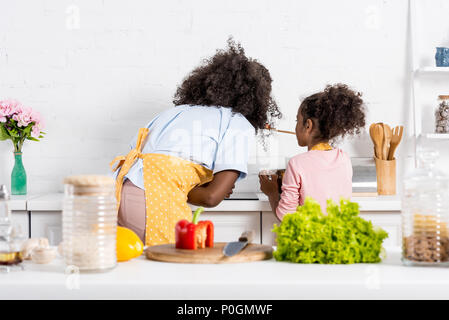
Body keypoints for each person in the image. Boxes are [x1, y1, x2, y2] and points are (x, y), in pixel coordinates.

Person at [111, 39, 281, 245]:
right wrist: (189, 187)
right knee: (168, 271)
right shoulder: (236, 122)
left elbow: (160, 164)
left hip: (118, 194)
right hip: (153, 204)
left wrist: (194, 183)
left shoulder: (177, 112)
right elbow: (211, 198)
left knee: (135, 271)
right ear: (257, 99)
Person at [259, 83, 366, 220]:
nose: (296, 126)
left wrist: (272, 192)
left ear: (308, 125)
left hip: (308, 241)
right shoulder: (344, 158)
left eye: (297, 120)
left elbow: (286, 217)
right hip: (336, 238)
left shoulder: (297, 164)